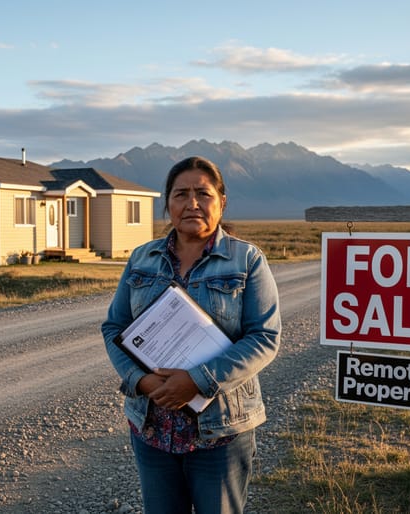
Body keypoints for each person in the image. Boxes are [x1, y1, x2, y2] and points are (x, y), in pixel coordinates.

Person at [101, 156, 282, 514]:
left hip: (221, 432)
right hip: (152, 430)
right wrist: (142, 381)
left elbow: (264, 338)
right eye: (181, 194)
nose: (192, 203)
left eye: (204, 193)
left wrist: (197, 381)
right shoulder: (142, 258)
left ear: (222, 201)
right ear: (167, 204)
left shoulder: (247, 260)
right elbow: (114, 328)